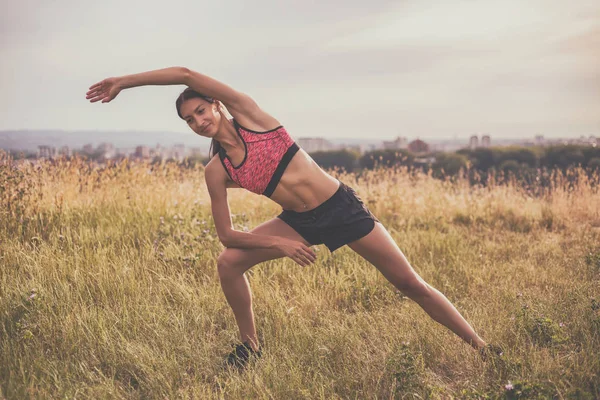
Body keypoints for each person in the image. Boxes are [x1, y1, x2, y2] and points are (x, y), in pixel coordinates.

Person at [86, 66, 500, 368]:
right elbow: (227, 235)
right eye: (190, 120)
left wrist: (124, 82)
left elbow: (183, 72)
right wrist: (279, 242)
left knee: (409, 283)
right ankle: (250, 347)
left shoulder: (251, 117)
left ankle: (481, 348)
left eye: (201, 110)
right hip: (298, 221)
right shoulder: (217, 170)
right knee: (228, 263)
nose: (199, 121)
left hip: (340, 208)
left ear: (215, 104)